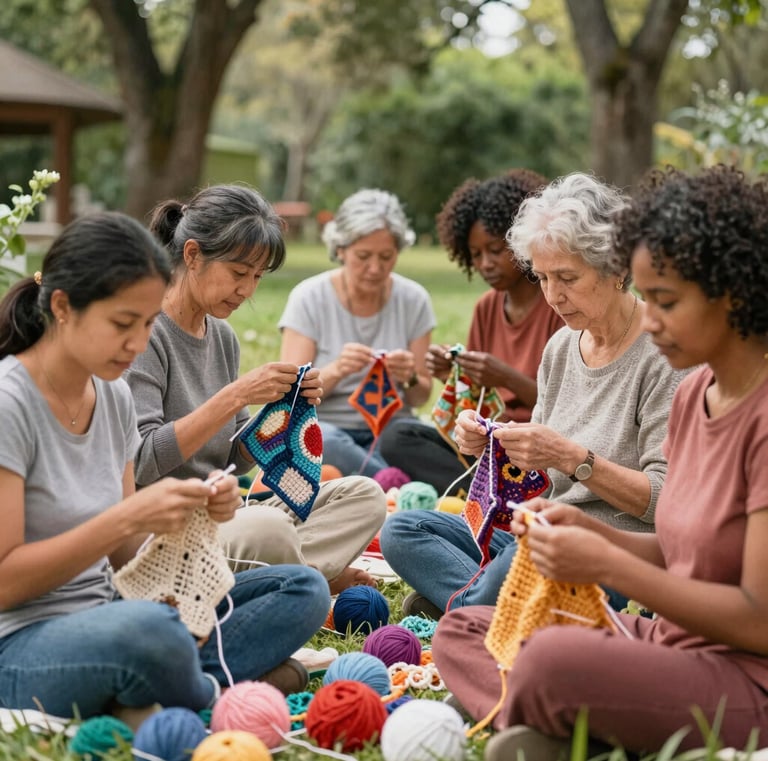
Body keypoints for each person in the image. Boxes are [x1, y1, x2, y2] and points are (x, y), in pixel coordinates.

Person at [432, 164, 768, 759]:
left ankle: (564, 721)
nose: (652, 319)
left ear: (732, 294)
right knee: (464, 630)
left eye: (665, 301)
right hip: (666, 642)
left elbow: (757, 620)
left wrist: (606, 566)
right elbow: (677, 549)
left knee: (547, 660)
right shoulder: (696, 396)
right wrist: (582, 531)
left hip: (744, 678)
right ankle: (577, 727)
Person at [0, 212, 330, 722]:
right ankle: (212, 693)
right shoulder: (10, 403)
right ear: (62, 307)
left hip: (117, 612)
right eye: (122, 324)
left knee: (302, 589)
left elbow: (128, 556)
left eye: (150, 323)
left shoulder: (110, 396)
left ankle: (167, 684)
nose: (137, 344)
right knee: (149, 634)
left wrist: (193, 515)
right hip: (24, 643)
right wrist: (130, 519)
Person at [380, 172, 688, 619]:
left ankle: (466, 610)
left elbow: (663, 502)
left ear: (618, 267)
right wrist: (495, 440)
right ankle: (486, 607)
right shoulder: (563, 345)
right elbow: (539, 464)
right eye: (542, 278)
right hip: (543, 529)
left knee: (517, 563)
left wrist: (573, 457)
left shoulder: (664, 356)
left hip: (610, 552)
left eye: (567, 277)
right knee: (405, 530)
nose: (553, 296)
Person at [124, 185, 386, 595]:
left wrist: (282, 410)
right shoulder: (145, 333)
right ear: (192, 255)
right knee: (268, 527)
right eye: (239, 273)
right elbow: (142, 460)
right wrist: (238, 394)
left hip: (222, 517)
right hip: (167, 529)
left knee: (364, 495)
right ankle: (311, 580)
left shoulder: (222, 336)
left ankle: (287, 576)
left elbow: (234, 458)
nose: (247, 290)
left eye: (258, 277)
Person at [378, 169, 563, 496]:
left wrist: (504, 376)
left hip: (535, 446)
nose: (486, 263)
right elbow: (476, 406)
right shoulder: (486, 308)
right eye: (476, 255)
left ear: (522, 243)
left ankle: (488, 492)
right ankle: (493, 491)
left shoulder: (558, 306)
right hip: (488, 444)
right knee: (397, 436)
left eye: (495, 250)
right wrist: (455, 375)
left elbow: (565, 410)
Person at [279, 188, 437, 477]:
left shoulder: (414, 299)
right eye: (363, 256)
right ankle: (390, 483)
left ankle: (372, 479)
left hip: (390, 432)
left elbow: (419, 398)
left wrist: (410, 376)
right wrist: (338, 369)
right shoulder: (309, 298)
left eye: (387, 256)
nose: (375, 268)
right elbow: (291, 398)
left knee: (407, 438)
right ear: (340, 249)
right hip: (328, 429)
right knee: (320, 438)